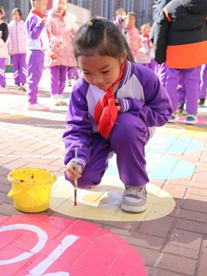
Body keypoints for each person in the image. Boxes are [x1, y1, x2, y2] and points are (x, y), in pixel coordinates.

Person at [64, 18, 172, 213]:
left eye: (105, 70)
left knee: (125, 127)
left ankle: (135, 185)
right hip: (98, 133)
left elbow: (163, 113)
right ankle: (103, 154)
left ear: (122, 57)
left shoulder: (144, 78)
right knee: (81, 179)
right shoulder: (81, 88)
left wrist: (130, 106)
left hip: (131, 130)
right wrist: (76, 159)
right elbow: (77, 128)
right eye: (87, 72)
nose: (97, 80)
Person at [154, 0, 207, 125]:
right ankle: (191, 114)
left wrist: (159, 54)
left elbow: (160, 31)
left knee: (171, 81)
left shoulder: (170, 7)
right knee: (193, 82)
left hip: (174, 51)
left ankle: (171, 113)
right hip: (195, 51)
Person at [46, 0, 78, 106]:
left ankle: (60, 94)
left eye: (63, 3)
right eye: (59, 2)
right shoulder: (50, 19)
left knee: (63, 75)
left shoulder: (69, 19)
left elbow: (76, 31)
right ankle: (54, 95)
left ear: (66, 6)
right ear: (55, 4)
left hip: (66, 51)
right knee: (54, 75)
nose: (61, 5)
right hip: (55, 51)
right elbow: (48, 34)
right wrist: (54, 43)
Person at [151, 0, 180, 90]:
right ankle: (181, 104)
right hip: (182, 42)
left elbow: (159, 21)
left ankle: (163, 102)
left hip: (166, 42)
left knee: (164, 74)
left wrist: (153, 38)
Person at [25, 0, 50, 111]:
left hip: (38, 51)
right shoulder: (33, 17)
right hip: (35, 51)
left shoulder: (38, 18)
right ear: (36, 3)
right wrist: (41, 24)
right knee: (34, 78)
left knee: (36, 77)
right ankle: (32, 101)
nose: (46, 7)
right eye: (44, 4)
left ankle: (33, 100)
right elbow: (33, 34)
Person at [7, 8, 27, 89]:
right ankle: (17, 82)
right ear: (12, 16)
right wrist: (9, 49)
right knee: (16, 67)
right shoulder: (10, 26)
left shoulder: (24, 24)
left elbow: (27, 37)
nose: (16, 16)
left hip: (23, 50)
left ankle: (23, 82)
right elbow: (9, 39)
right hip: (14, 51)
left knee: (23, 66)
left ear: (20, 16)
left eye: (18, 14)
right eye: (14, 14)